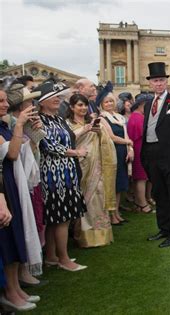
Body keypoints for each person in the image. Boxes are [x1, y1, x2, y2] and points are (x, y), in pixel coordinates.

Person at [34, 81, 88, 272]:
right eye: (53, 97)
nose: (58, 99)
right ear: (42, 102)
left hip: (67, 172)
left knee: (57, 218)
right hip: (52, 174)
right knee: (60, 217)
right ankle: (64, 259)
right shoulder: (38, 120)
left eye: (58, 96)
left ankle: (52, 256)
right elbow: (48, 145)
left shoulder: (58, 119)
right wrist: (76, 153)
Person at [0, 87, 40, 311]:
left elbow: (24, 152)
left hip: (13, 183)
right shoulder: (6, 127)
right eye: (1, 101)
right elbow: (12, 153)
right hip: (3, 186)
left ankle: (16, 289)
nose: (6, 105)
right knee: (6, 240)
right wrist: (19, 125)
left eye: (6, 101)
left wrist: (34, 133)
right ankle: (9, 292)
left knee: (14, 236)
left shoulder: (4, 126)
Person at [141, 62, 170, 247]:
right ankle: (164, 228)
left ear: (166, 82)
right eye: (155, 81)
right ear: (150, 84)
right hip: (152, 154)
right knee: (159, 193)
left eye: (161, 80)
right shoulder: (147, 105)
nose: (159, 84)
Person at [67, 93, 115, 247]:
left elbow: (106, 140)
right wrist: (84, 130)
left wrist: (99, 131)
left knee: (99, 197)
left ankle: (102, 236)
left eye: (85, 105)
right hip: (79, 165)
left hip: (97, 165)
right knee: (83, 199)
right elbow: (67, 141)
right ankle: (84, 237)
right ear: (72, 107)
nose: (83, 108)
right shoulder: (67, 123)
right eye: (79, 105)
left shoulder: (93, 121)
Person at [97, 82, 133, 225]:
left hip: (122, 152)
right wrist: (128, 143)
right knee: (112, 185)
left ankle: (117, 212)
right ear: (101, 104)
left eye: (111, 101)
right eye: (106, 102)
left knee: (120, 186)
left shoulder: (119, 117)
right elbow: (112, 137)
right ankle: (111, 215)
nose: (109, 103)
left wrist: (130, 148)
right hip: (111, 153)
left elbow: (126, 134)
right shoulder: (102, 118)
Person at [127, 94, 153, 213]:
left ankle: (140, 202)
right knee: (140, 178)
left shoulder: (137, 116)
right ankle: (142, 203)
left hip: (140, 150)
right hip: (138, 150)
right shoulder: (137, 117)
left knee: (141, 178)